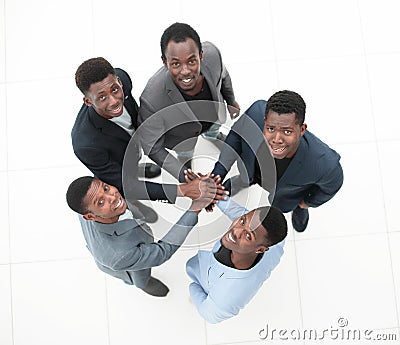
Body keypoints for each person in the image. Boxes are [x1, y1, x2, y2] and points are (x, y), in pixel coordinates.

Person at [72, 57, 217, 222]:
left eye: (114, 90)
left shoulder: (123, 79)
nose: (114, 101)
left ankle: (140, 167)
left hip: (135, 143)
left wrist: (187, 178)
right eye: (102, 98)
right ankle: (137, 207)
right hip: (118, 162)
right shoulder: (85, 145)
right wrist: (183, 190)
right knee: (121, 191)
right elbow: (128, 185)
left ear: (119, 81)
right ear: (88, 102)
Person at [212, 90, 344, 232]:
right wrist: (218, 173)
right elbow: (236, 137)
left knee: (283, 207)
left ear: (302, 129)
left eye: (287, 131)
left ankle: (298, 208)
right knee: (245, 177)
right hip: (251, 170)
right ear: (264, 122)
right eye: (270, 128)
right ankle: (244, 181)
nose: (276, 140)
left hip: (284, 196)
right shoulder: (256, 112)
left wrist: (306, 203)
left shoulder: (325, 164)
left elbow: (332, 186)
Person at [66, 175, 217, 297]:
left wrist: (185, 189)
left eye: (106, 188)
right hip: (119, 260)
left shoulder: (96, 197)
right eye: (100, 202)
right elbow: (162, 251)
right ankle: (142, 285)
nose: (111, 196)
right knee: (140, 274)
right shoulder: (120, 255)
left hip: (117, 235)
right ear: (90, 217)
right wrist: (196, 207)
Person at [137, 22, 240, 182]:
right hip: (183, 138)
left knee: (213, 130)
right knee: (185, 154)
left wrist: (231, 101)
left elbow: (224, 76)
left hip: (213, 117)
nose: (185, 71)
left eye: (191, 61)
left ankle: (213, 136)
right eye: (176, 64)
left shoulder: (213, 55)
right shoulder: (151, 99)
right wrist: (183, 174)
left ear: (201, 55)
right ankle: (186, 161)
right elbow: (152, 146)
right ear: (165, 62)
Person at [186, 197, 287, 323]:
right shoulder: (275, 240)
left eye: (248, 236)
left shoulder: (227, 299)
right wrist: (214, 194)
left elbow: (209, 315)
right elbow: (244, 216)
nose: (235, 230)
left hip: (204, 284)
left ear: (261, 250)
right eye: (243, 221)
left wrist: (194, 287)